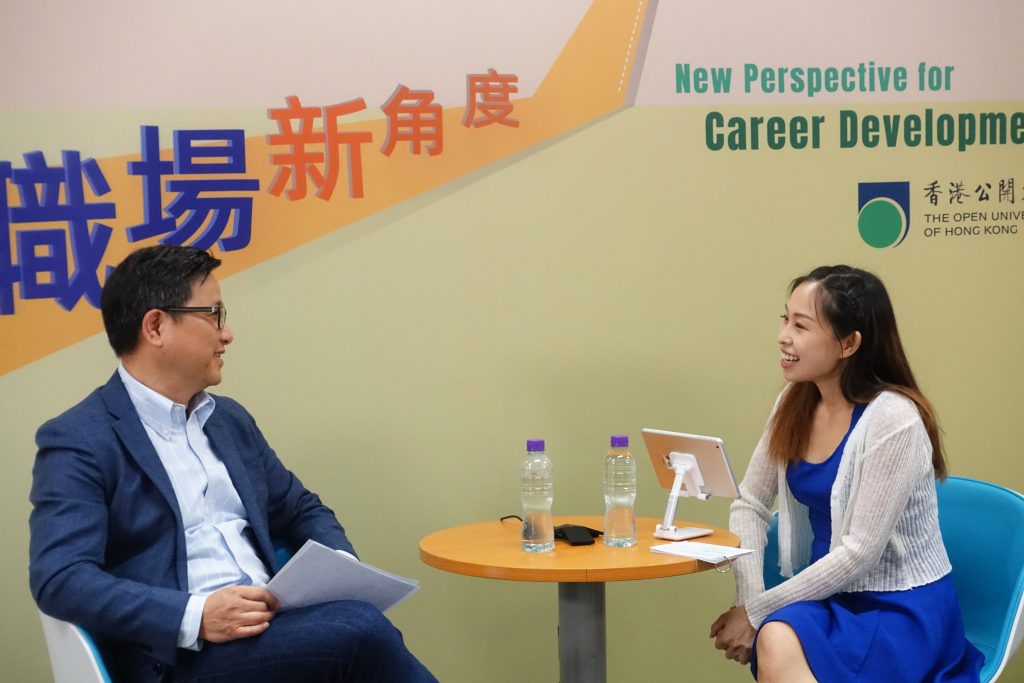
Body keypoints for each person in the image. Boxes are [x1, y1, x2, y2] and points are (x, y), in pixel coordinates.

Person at [29, 245, 438, 683]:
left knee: (355, 621)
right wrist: (195, 615)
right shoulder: (79, 439)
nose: (227, 335)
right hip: (180, 658)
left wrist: (339, 572)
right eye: (214, 315)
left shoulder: (229, 421)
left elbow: (301, 508)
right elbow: (61, 578)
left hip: (275, 628)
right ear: (156, 326)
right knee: (359, 630)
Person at [709, 265, 983, 682]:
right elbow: (749, 503)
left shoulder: (894, 419)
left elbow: (858, 554)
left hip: (896, 606)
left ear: (849, 343)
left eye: (801, 326)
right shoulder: (793, 401)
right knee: (776, 635)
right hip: (827, 596)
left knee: (776, 635)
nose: (783, 336)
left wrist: (757, 613)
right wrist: (750, 602)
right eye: (785, 319)